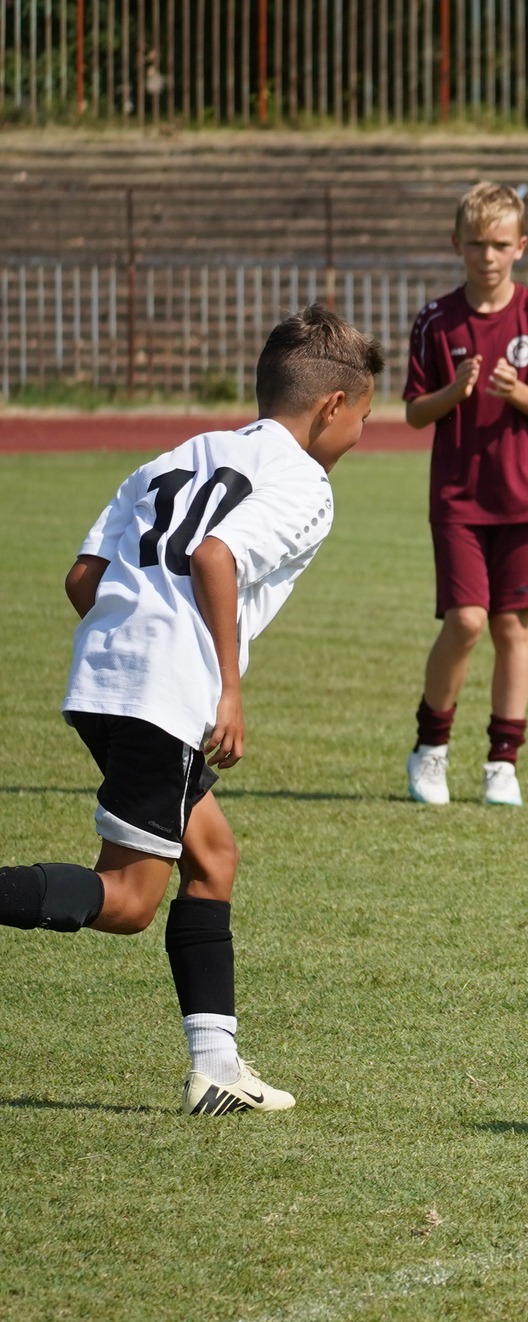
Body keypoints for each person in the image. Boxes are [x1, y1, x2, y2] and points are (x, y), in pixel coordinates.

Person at [0, 304, 383, 1115]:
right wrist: (225, 686)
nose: (362, 437)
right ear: (332, 407)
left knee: (212, 857)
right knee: (132, 899)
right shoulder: (305, 485)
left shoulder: (177, 455)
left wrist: (133, 646)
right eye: (367, 418)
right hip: (167, 694)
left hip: (105, 678)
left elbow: (82, 578)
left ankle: (216, 1067)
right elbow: (216, 554)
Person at [403, 181, 528, 808]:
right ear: (457, 245)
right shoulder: (436, 320)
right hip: (459, 497)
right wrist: (457, 391)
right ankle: (431, 749)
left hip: (523, 496)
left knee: (511, 627)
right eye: (476, 244)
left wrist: (514, 391)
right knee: (467, 621)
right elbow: (417, 413)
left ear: (520, 247)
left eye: (500, 244)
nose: (488, 256)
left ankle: (503, 761)